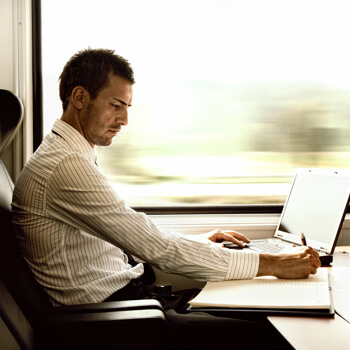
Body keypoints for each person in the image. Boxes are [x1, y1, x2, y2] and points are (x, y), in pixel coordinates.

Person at [12, 48, 320, 349]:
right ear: (80, 98)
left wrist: (202, 241)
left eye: (128, 107)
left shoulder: (71, 153)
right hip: (115, 321)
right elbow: (157, 247)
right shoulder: (65, 165)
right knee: (269, 334)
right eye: (116, 105)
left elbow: (140, 234)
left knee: (259, 312)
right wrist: (274, 264)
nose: (124, 120)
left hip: (129, 304)